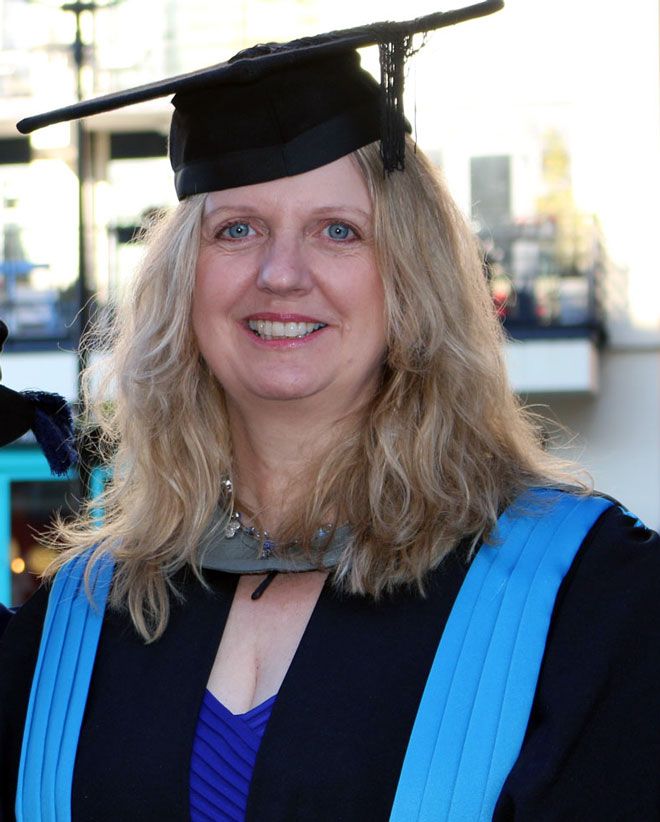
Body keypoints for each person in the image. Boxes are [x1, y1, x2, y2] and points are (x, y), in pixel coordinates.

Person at [2, 3, 659, 820]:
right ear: (181, 288)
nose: (282, 273)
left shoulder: (587, 599)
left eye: (339, 231)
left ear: (410, 281)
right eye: (236, 229)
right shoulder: (79, 617)